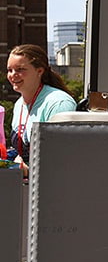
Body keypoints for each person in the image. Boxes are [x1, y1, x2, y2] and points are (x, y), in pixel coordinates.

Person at [7, 44, 77, 178]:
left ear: (39, 71)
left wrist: (28, 169)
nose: (13, 75)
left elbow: (62, 157)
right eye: (10, 70)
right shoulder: (18, 104)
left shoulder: (58, 103)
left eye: (20, 69)